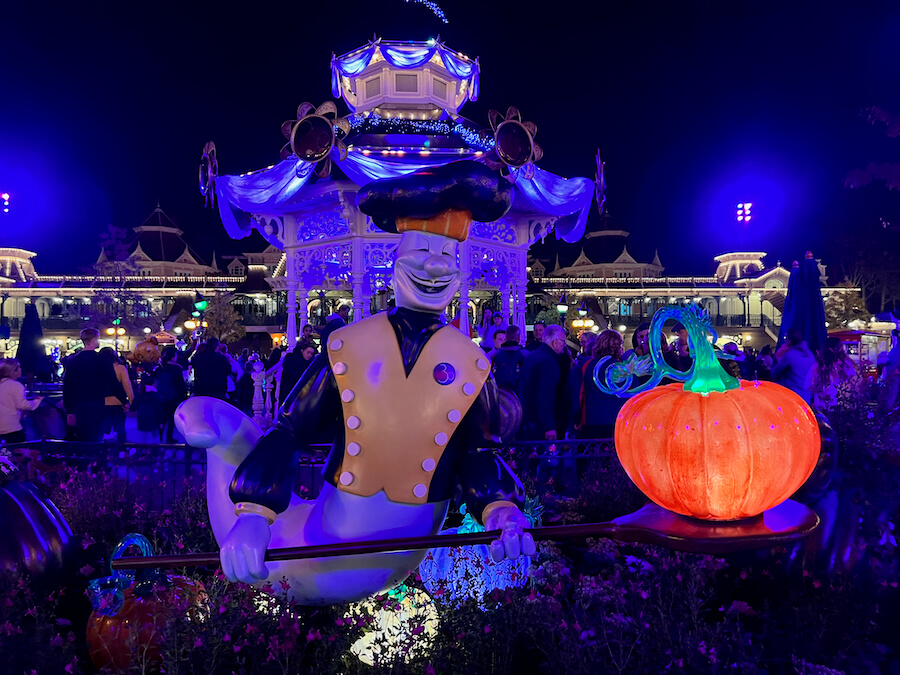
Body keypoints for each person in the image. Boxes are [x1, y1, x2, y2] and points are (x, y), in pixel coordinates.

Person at [217, 161, 533, 597]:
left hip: (408, 542)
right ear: (396, 258)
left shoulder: (473, 363)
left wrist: (500, 509)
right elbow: (291, 428)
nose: (435, 268)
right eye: (421, 251)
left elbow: (479, 450)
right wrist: (254, 513)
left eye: (447, 256)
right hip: (336, 521)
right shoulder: (347, 345)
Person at [63, 328, 124, 442]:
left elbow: (68, 387)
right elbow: (112, 381)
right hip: (97, 403)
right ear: (94, 339)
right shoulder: (102, 359)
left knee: (82, 436)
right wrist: (123, 400)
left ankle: (84, 458)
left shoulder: (74, 361)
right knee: (96, 435)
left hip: (79, 405)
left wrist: (69, 410)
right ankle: (95, 458)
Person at [575, 330, 627, 439]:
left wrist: (576, 418)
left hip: (591, 418)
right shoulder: (623, 368)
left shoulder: (586, 366)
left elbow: (579, 394)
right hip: (617, 418)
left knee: (593, 453)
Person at [520, 323, 567, 440]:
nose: (563, 345)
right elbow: (545, 396)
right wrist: (549, 426)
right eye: (563, 341)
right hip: (539, 422)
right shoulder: (549, 362)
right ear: (555, 342)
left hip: (528, 417)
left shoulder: (532, 356)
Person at [808, 337, 862, 411]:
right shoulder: (849, 364)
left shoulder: (818, 366)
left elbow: (809, 386)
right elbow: (857, 384)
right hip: (845, 406)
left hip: (823, 407)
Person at [0, 359, 42, 444]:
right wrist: (37, 401)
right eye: (19, 367)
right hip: (12, 427)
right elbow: (22, 405)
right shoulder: (16, 385)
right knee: (19, 453)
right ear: (13, 371)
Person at [99, 347, 134, 443]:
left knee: (103, 429)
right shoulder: (120, 368)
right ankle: (122, 451)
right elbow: (127, 386)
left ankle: (104, 452)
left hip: (101, 403)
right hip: (118, 402)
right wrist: (130, 401)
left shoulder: (97, 369)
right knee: (120, 428)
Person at [772, 328, 816, 403]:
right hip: (807, 395)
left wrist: (779, 357)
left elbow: (774, 373)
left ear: (789, 341)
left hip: (792, 395)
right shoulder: (810, 355)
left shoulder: (789, 355)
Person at [154, 346, 188, 443]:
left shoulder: (160, 368)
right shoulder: (177, 368)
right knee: (171, 417)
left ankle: (160, 434)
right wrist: (184, 396)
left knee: (163, 416)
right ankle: (169, 437)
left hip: (161, 396)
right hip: (174, 395)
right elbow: (180, 384)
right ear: (173, 356)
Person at [277, 340, 317, 407]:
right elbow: (294, 375)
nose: (309, 355)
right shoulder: (291, 359)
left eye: (311, 354)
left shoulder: (309, 363)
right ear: (302, 350)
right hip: (290, 392)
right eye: (308, 352)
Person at [492, 325, 525, 392]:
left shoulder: (495, 355)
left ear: (506, 337)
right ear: (518, 337)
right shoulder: (525, 354)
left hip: (500, 392)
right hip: (520, 393)